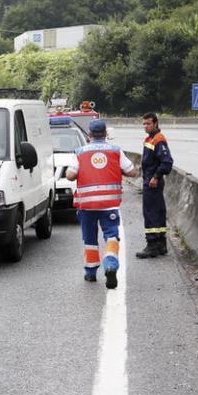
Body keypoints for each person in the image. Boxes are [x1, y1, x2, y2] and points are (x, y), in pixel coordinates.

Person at [66, 119, 137, 289]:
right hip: (109, 205)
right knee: (111, 236)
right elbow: (132, 172)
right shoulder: (115, 151)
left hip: (87, 206)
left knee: (89, 239)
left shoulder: (80, 152)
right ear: (106, 135)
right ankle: (111, 265)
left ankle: (90, 273)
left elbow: (70, 175)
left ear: (89, 135)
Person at [136, 112, 174, 259]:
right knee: (157, 211)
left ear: (156, 123)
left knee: (151, 213)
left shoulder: (159, 140)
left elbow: (167, 162)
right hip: (149, 180)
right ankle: (161, 244)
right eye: (144, 124)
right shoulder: (149, 139)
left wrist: (156, 177)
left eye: (148, 124)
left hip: (152, 182)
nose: (145, 126)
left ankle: (152, 245)